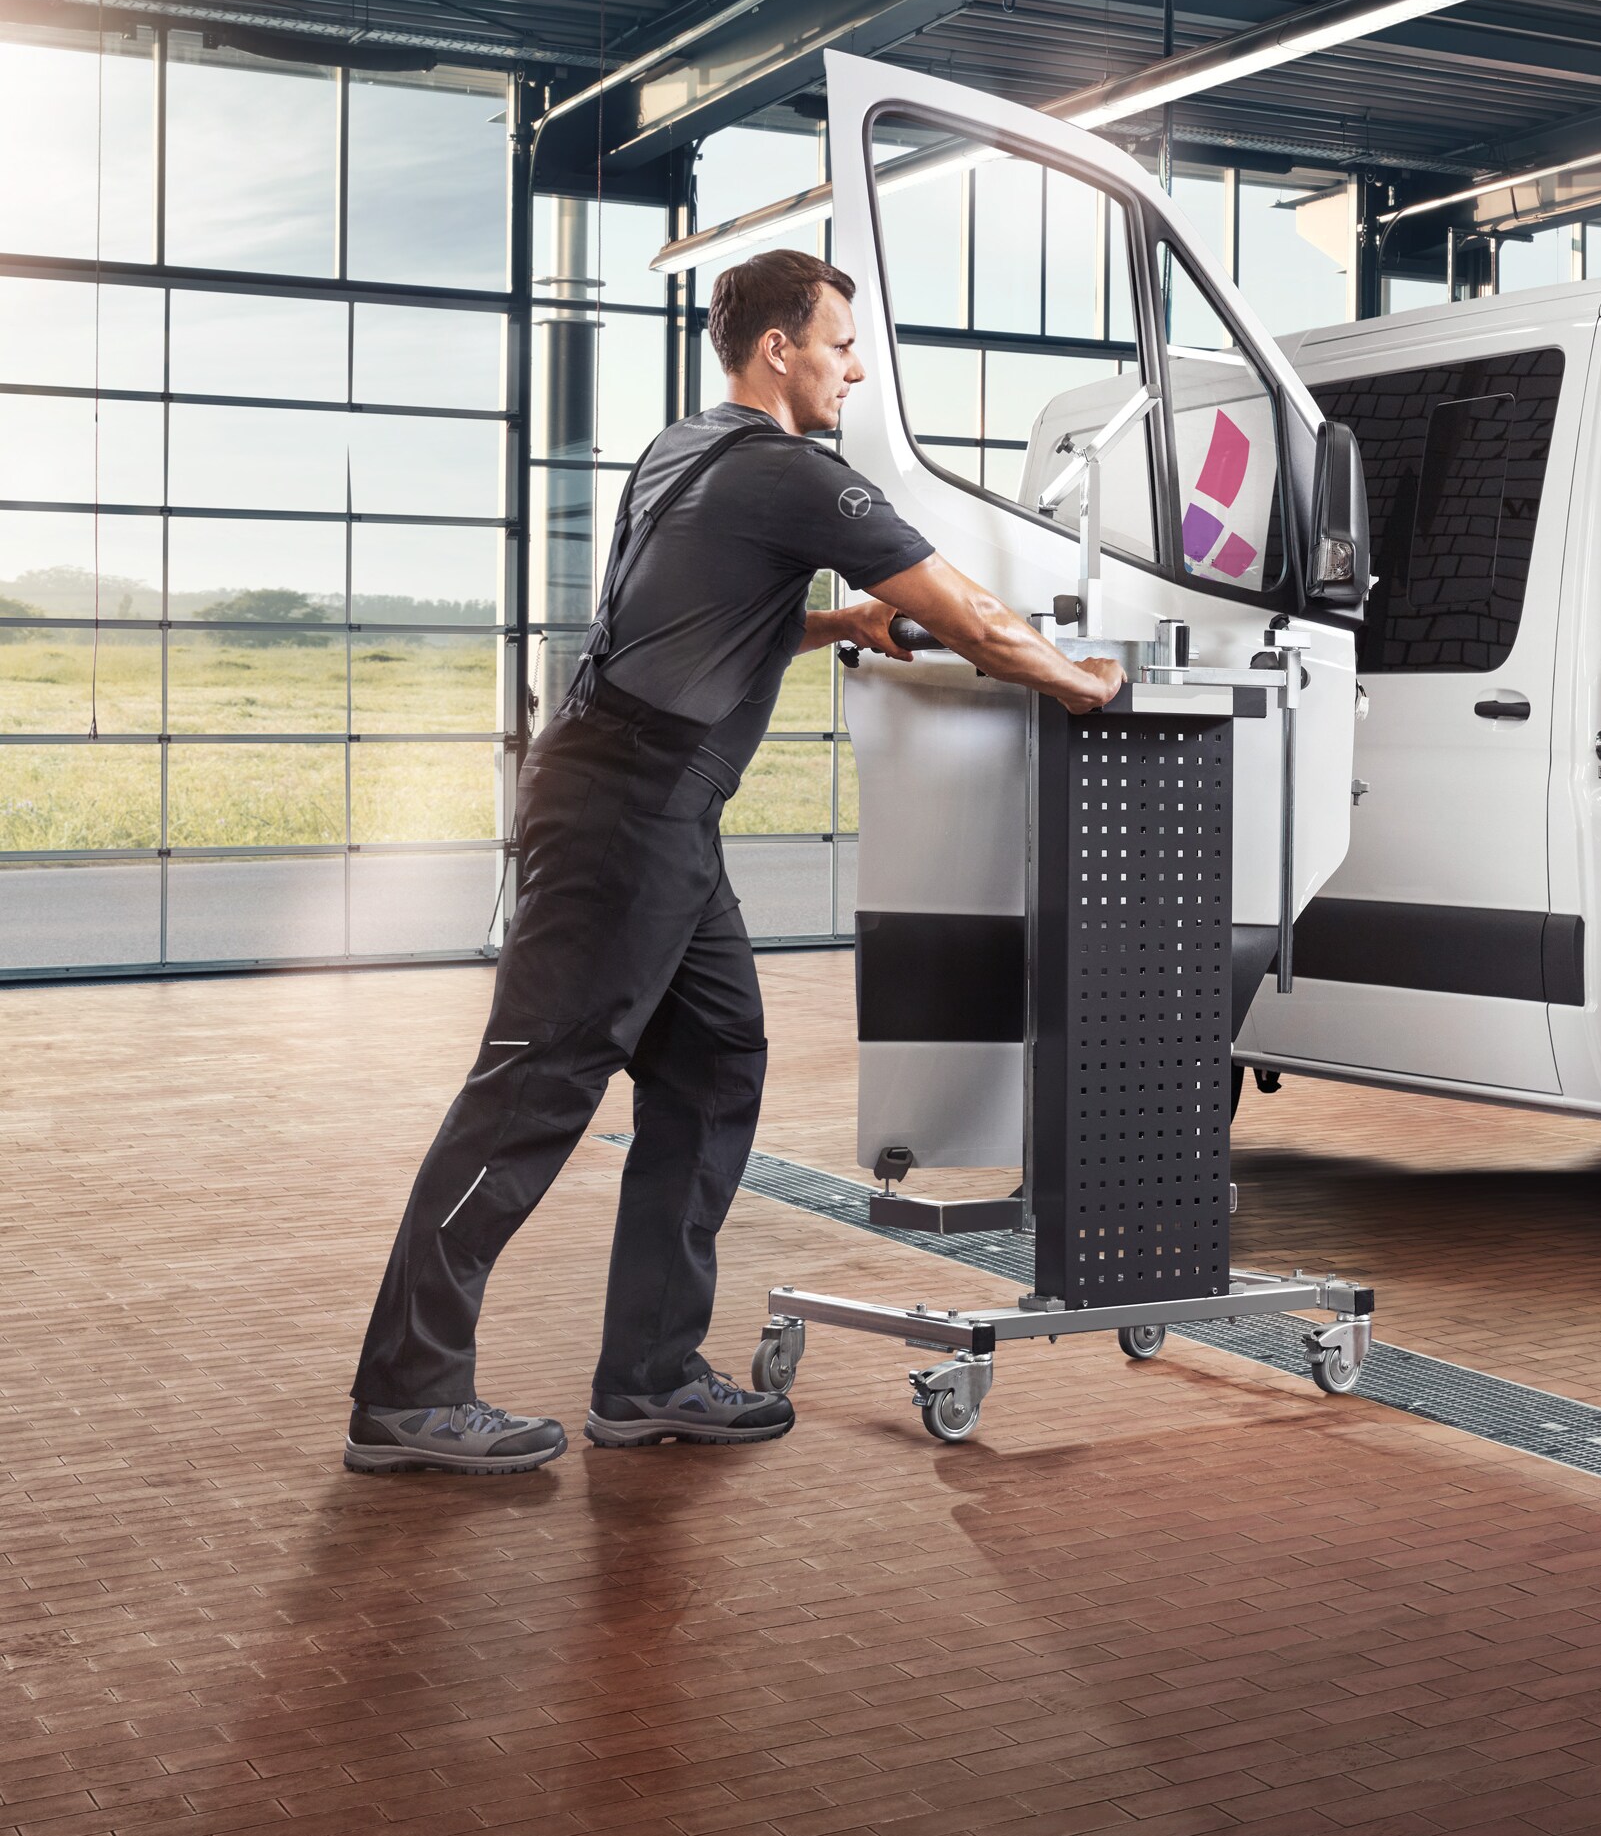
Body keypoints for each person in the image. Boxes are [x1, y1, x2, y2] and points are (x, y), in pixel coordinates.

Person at [345, 248, 1124, 1474]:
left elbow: (684, 615)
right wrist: (1082, 683)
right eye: (840, 343)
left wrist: (834, 620)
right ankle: (406, 1390)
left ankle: (650, 1375)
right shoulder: (791, 472)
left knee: (715, 1062)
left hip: (648, 801)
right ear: (779, 348)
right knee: (535, 1086)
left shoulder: (679, 448)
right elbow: (970, 616)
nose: (853, 365)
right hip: (630, 808)